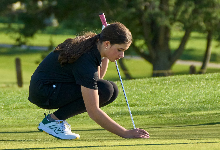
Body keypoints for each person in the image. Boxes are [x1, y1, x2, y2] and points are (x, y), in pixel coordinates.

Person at [28, 22, 150, 140]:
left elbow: (97, 80)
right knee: (105, 90)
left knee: (110, 89)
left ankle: (54, 120)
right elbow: (93, 111)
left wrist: (105, 56)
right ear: (107, 44)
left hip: (53, 88)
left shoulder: (94, 46)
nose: (122, 55)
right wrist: (125, 133)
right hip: (44, 92)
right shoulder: (86, 59)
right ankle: (52, 122)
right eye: (119, 49)